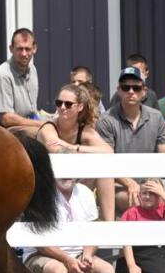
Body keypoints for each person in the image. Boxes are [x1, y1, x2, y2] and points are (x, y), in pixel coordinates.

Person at [96, 66, 165, 217]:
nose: (131, 91)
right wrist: (129, 182)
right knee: (141, 202)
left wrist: (155, 186)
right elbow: (106, 163)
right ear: (119, 90)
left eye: (136, 88)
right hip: (119, 185)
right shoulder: (106, 120)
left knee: (161, 201)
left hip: (151, 182)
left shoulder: (156, 117)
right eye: (126, 87)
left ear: (144, 91)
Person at [35, 83, 115, 219]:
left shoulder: (84, 130)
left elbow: (108, 152)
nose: (62, 107)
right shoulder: (48, 128)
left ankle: (109, 225)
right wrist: (87, 152)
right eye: (59, 103)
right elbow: (58, 152)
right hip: (49, 185)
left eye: (68, 104)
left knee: (104, 166)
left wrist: (73, 146)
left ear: (80, 107)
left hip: (73, 182)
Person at [0, 28, 45, 131]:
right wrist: (41, 124)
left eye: (27, 49)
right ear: (11, 49)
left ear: (34, 49)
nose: (24, 54)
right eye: (20, 49)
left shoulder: (32, 69)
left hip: (31, 122)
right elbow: (6, 119)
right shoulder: (2, 75)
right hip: (12, 131)